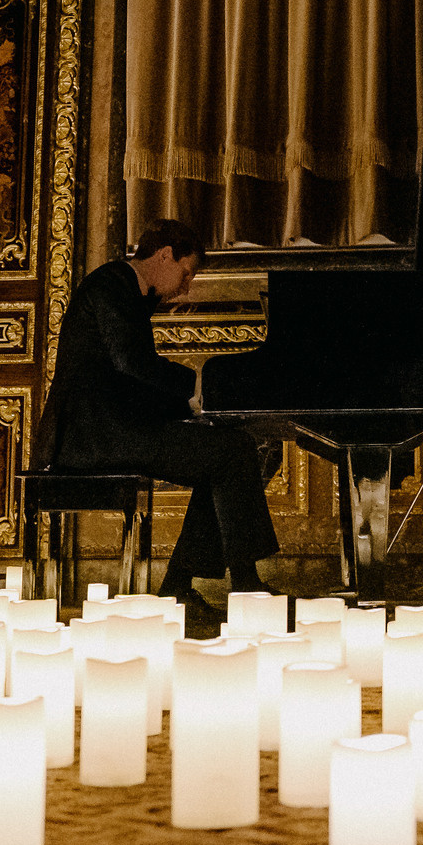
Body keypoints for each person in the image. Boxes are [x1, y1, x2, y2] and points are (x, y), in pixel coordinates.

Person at [36, 219, 278, 609]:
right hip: (92, 435)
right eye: (187, 272)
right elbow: (131, 364)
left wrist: (190, 411)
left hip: (113, 426)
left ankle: (184, 583)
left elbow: (130, 377)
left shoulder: (125, 288)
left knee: (225, 453)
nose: (187, 286)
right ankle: (241, 584)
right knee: (230, 452)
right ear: (165, 255)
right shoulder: (110, 285)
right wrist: (194, 393)